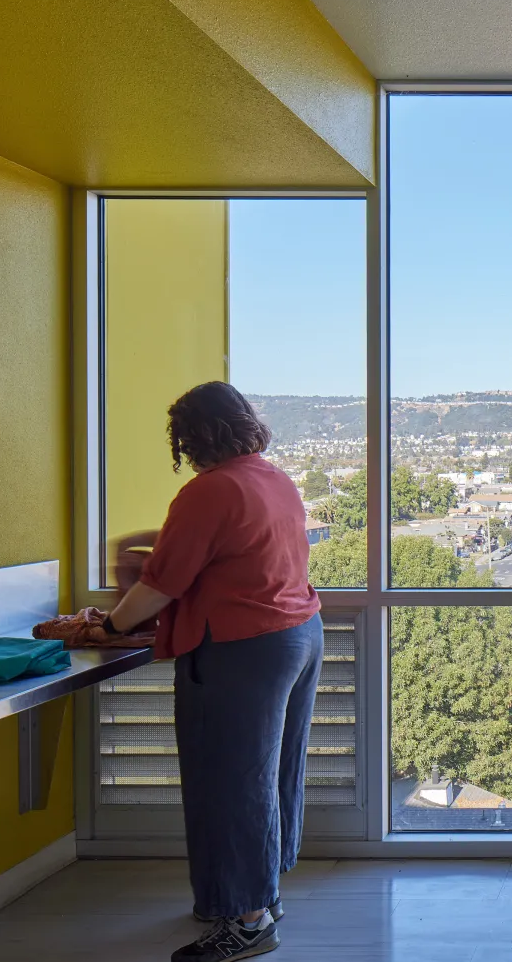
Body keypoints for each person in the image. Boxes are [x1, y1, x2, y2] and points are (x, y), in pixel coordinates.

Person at [105, 381, 322, 962]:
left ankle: (248, 921)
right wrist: (148, 540)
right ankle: (257, 895)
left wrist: (109, 626)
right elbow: (224, 542)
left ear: (191, 437)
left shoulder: (209, 491)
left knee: (230, 780)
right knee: (269, 772)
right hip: (297, 635)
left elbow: (159, 586)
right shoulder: (271, 478)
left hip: (241, 647)